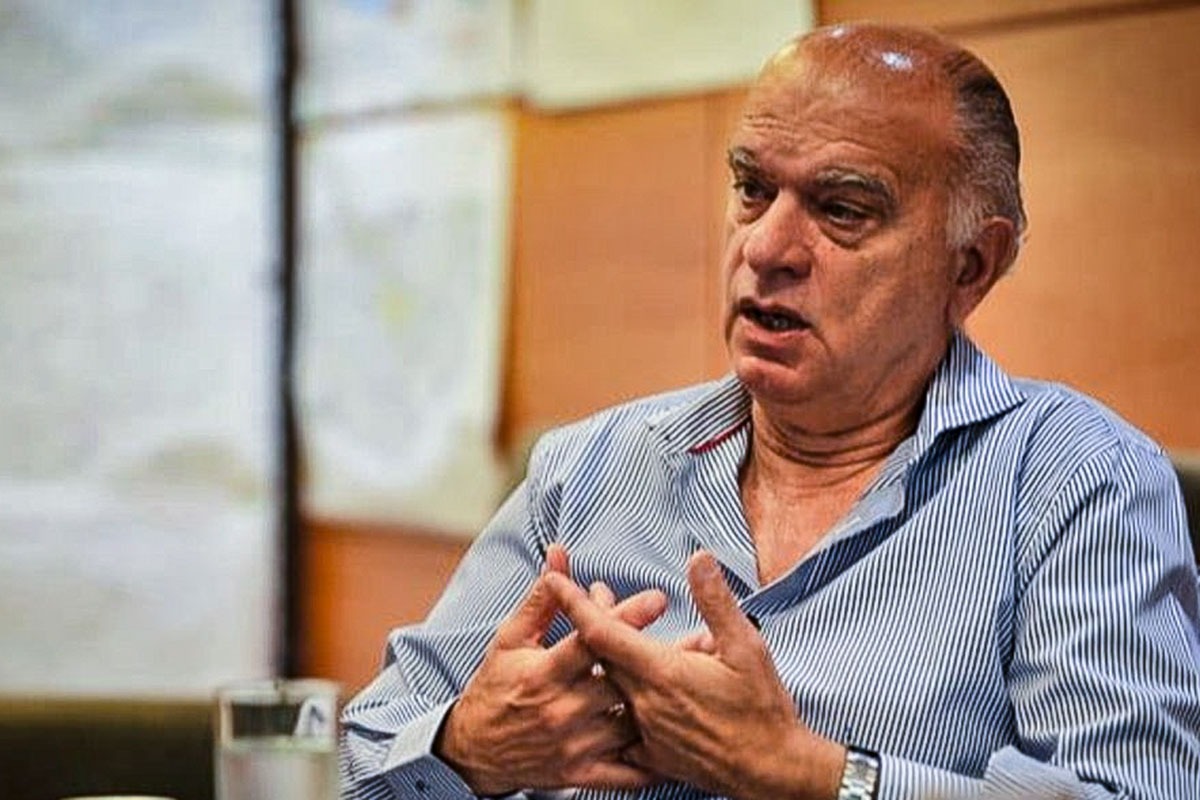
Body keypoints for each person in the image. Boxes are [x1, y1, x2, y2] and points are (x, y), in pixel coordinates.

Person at [339, 22, 1200, 800]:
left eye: (842, 209)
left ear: (970, 265)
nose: (767, 247)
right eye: (752, 189)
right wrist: (468, 749)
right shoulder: (585, 468)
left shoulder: (1079, 482)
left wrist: (805, 774)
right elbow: (353, 759)